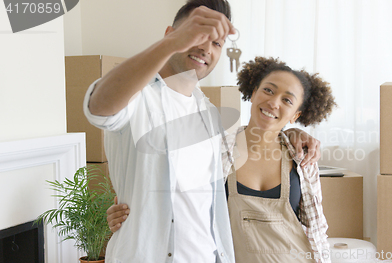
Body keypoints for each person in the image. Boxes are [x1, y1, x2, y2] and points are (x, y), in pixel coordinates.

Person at [84, 0, 322, 262]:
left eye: (217, 43)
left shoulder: (209, 114)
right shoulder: (137, 96)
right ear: (169, 35)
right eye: (197, 35)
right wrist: (169, 45)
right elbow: (99, 107)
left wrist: (291, 134)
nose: (206, 47)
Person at [107, 57, 336, 262]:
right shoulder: (215, 147)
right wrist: (131, 212)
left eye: (287, 100)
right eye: (268, 90)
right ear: (254, 92)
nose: (274, 102)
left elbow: (317, 228)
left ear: (296, 114)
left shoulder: (303, 160)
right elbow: (180, 200)